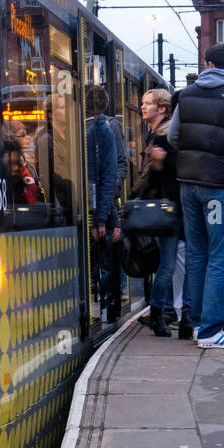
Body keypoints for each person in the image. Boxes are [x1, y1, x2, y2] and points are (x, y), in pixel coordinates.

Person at [167, 42, 224, 349]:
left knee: (196, 253)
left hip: (188, 184)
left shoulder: (186, 94)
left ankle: (193, 322)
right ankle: (210, 331)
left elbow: (172, 136)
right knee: (220, 256)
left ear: (206, 63)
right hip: (219, 186)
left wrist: (193, 158)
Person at [134, 87, 179, 337]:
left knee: (166, 264)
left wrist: (160, 163)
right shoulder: (156, 134)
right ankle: (161, 312)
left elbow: (164, 174)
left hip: (165, 208)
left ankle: (160, 313)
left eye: (148, 103)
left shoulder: (164, 135)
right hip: (163, 208)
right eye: (143, 103)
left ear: (162, 108)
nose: (143, 107)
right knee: (164, 262)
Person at [86, 84, 122, 322]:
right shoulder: (95, 129)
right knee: (101, 263)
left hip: (99, 208)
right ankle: (104, 308)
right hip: (99, 208)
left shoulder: (103, 129)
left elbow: (105, 176)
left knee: (104, 263)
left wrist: (102, 216)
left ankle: (109, 308)